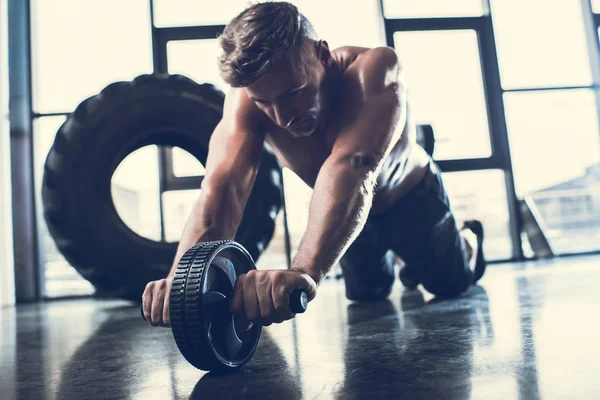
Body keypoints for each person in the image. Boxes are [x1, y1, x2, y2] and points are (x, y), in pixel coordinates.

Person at [141, 1, 486, 329]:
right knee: (368, 295)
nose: (282, 116)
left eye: (294, 92)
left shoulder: (375, 69)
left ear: (321, 54)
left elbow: (354, 167)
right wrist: (183, 277)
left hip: (411, 199)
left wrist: (303, 269)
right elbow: (223, 186)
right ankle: (406, 261)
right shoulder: (247, 98)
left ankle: (467, 239)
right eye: (265, 103)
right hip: (349, 214)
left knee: (451, 285)